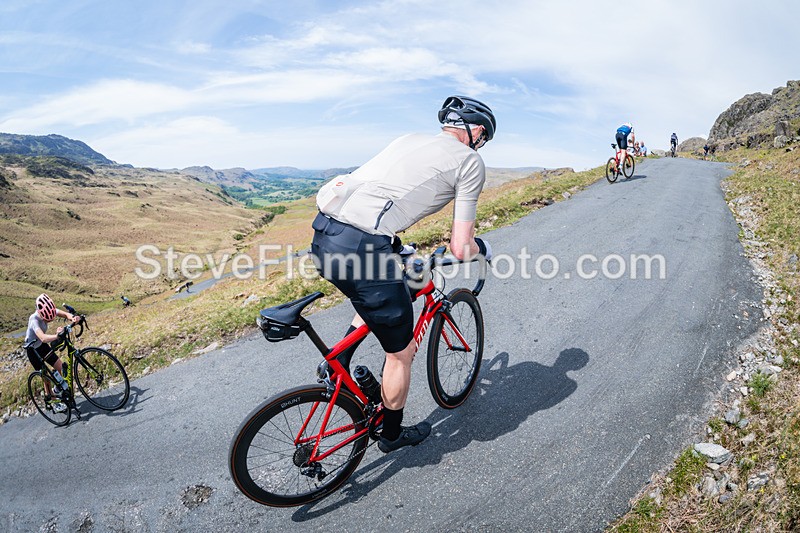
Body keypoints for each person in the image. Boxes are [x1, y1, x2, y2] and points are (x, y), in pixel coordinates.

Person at [311, 95, 496, 453]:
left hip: (325, 235)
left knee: (380, 292)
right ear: (474, 131)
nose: (482, 146)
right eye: (485, 138)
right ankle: (392, 435)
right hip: (363, 246)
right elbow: (460, 247)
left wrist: (395, 246)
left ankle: (340, 362)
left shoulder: (410, 139)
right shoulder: (470, 162)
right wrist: (482, 250)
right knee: (401, 353)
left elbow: (379, 194)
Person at [23, 294, 80, 408]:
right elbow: (42, 337)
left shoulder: (49, 309)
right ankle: (53, 402)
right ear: (40, 313)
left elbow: (63, 313)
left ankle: (57, 388)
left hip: (42, 346)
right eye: (46, 320)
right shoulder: (34, 319)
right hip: (33, 350)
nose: (48, 322)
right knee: (46, 378)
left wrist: (72, 317)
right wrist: (57, 336)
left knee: (61, 367)